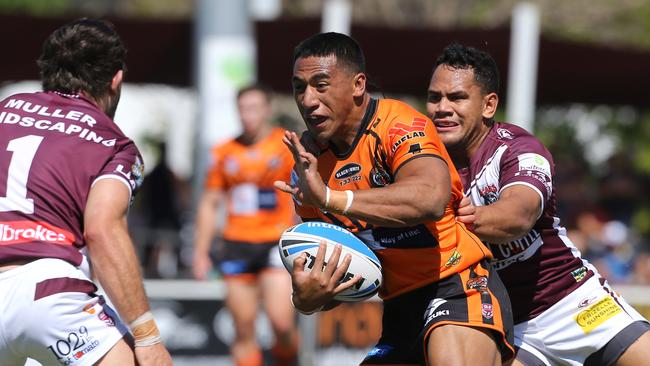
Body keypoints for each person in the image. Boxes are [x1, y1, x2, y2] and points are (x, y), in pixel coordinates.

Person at [274, 32, 514, 366]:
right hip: (399, 310)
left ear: (358, 85)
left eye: (321, 84)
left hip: (459, 285)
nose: (308, 99)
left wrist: (330, 197)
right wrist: (307, 298)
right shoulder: (309, 167)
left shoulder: (398, 124)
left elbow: (430, 197)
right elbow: (339, 270)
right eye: (300, 87)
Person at [426, 42, 650, 366]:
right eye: (435, 97)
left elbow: (517, 216)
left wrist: (451, 219)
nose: (442, 107)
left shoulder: (520, 149)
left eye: (457, 97)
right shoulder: (421, 164)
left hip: (574, 302)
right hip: (508, 326)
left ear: (489, 105)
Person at [0, 19, 172, 365]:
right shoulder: (114, 143)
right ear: (115, 79)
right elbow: (102, 230)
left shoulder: (5, 109)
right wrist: (147, 335)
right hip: (48, 293)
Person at [192, 84, 298, 366]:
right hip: (237, 244)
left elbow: (304, 193)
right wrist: (200, 251)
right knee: (242, 328)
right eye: (242, 109)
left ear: (267, 109)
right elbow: (209, 203)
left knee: (282, 323)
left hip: (276, 241)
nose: (247, 116)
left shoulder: (285, 146)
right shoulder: (224, 152)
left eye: (254, 108)